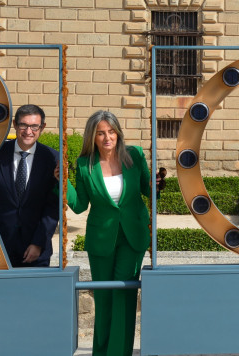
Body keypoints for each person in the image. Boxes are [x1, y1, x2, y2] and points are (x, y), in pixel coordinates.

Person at [67, 110, 152, 356]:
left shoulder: (134, 155)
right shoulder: (84, 165)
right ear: (92, 137)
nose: (107, 137)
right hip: (101, 240)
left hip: (132, 237)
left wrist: (156, 183)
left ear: (118, 133)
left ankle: (118, 353)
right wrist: (62, 183)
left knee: (123, 295)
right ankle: (101, 353)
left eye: (111, 131)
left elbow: (148, 190)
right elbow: (80, 205)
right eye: (101, 133)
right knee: (103, 300)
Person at [0, 104, 60, 267]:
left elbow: (53, 206)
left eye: (34, 126)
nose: (28, 131)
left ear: (42, 127)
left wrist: (39, 242)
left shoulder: (52, 158)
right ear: (15, 124)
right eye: (24, 125)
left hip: (36, 248)